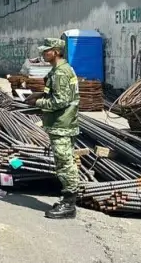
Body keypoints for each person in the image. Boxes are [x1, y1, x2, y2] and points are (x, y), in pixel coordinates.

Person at [28, 37, 81, 219]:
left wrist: (37, 101)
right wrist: (39, 95)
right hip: (62, 123)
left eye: (46, 51)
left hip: (62, 125)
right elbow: (57, 94)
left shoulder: (60, 73)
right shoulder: (61, 70)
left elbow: (60, 101)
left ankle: (69, 204)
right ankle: (68, 199)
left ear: (56, 52)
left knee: (65, 164)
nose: (43, 53)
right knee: (64, 163)